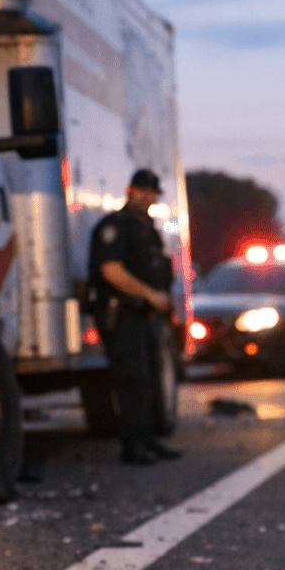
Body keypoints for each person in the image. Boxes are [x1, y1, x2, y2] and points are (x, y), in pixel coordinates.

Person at [89, 168, 181, 464]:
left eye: (153, 192)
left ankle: (149, 440)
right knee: (133, 378)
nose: (148, 197)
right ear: (130, 191)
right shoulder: (116, 226)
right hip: (123, 314)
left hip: (147, 315)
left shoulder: (147, 228)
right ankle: (132, 445)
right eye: (143, 191)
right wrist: (148, 294)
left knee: (152, 378)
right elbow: (111, 270)